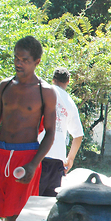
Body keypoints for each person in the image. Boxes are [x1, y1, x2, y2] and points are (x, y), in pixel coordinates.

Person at [0, 36, 56, 221]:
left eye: (25, 60)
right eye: (16, 58)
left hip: (25, 158)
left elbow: (50, 134)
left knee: (14, 218)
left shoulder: (45, 92)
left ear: (37, 61)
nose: (19, 63)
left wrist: (33, 165)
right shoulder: (4, 86)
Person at [38, 67, 84, 197]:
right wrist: (70, 159)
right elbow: (78, 135)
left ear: (53, 80)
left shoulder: (44, 92)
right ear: (68, 81)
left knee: (31, 200)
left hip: (38, 155)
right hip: (58, 158)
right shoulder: (70, 103)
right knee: (50, 202)